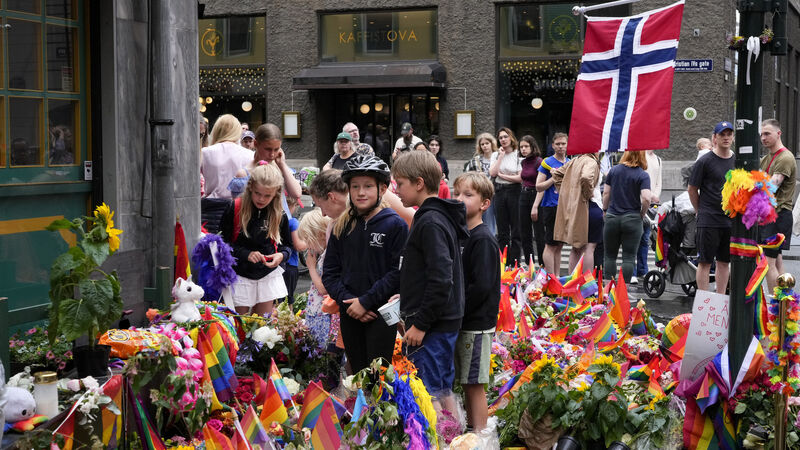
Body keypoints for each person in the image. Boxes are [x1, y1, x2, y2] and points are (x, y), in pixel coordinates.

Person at [392, 150, 468, 417]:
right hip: (440, 320)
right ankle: (455, 436)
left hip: (432, 325)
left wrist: (421, 324)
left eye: (400, 183)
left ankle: (438, 437)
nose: (396, 190)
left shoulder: (431, 221)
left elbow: (441, 278)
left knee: (428, 393)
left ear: (419, 183)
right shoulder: (435, 216)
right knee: (442, 390)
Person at [322, 155, 408, 374]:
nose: (361, 192)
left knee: (378, 376)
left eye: (368, 186)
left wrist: (366, 302)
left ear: (383, 189)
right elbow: (330, 273)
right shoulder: (342, 225)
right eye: (355, 186)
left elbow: (397, 273)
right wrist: (351, 304)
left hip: (380, 314)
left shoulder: (395, 225)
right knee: (357, 374)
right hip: (350, 312)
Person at [452, 172, 500, 432]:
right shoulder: (461, 234)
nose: (460, 199)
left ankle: (480, 435)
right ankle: (471, 429)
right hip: (462, 320)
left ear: (484, 204)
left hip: (476, 323)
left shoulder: (482, 238)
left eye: (468, 195)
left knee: (474, 383)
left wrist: (457, 310)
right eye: (457, 193)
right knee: (466, 381)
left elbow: (481, 286)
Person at [220, 162, 290, 316]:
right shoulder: (235, 207)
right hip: (239, 274)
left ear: (276, 194)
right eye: (258, 193)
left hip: (267, 274)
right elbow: (222, 244)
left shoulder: (280, 213)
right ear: (250, 187)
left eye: (267, 196)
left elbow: (287, 246)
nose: (261, 199)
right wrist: (246, 254)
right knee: (238, 322)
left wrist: (281, 255)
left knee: (262, 324)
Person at [688, 121, 736, 294]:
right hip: (709, 219)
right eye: (722, 134)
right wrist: (700, 210)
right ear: (714, 138)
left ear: (733, 137)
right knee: (705, 262)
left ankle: (720, 298)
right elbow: (692, 188)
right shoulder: (705, 161)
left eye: (729, 134)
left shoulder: (737, 160)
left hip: (730, 220)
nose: (726, 137)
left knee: (724, 262)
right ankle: (704, 301)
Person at [602, 151, 651, 283]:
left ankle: (609, 288)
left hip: (612, 217)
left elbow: (606, 193)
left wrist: (605, 210)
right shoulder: (642, 174)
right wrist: (642, 213)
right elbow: (646, 198)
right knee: (629, 257)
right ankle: (624, 289)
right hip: (633, 219)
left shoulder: (614, 171)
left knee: (610, 256)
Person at [201, 114, 254, 233]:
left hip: (211, 210)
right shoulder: (250, 155)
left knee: (210, 243)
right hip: (239, 210)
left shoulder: (204, 153)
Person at [760, 119, 796, 291]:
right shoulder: (766, 158)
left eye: (767, 134)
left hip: (778, 215)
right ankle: (784, 303)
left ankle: (774, 303)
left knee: (768, 264)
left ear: (778, 133)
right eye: (761, 134)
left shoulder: (785, 157)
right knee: (776, 262)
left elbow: (770, 187)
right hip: (769, 215)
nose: (763, 138)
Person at [552, 151, 602, 272]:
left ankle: (572, 280)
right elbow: (586, 177)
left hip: (576, 208)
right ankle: (586, 280)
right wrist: (587, 193)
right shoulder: (591, 161)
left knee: (576, 247)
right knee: (589, 248)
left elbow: (556, 174)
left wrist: (567, 192)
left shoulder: (574, 161)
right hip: (590, 205)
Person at [297, 208, 334, 350]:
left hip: (323, 312)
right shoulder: (325, 253)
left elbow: (324, 289)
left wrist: (311, 267)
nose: (307, 244)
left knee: (320, 350)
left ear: (320, 235)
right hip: (319, 311)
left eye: (308, 239)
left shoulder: (328, 256)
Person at [534, 132, 568, 275]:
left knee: (559, 245)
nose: (560, 146)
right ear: (553, 145)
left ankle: (557, 276)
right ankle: (549, 276)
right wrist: (553, 178)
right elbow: (538, 186)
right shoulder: (547, 162)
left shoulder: (569, 162)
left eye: (563, 144)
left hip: (565, 206)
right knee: (550, 244)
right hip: (551, 206)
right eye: (558, 144)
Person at [489, 127, 523, 263]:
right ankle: (503, 262)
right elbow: (492, 173)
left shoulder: (518, 154)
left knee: (516, 228)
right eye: (500, 138)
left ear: (511, 138)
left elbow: (520, 178)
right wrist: (501, 157)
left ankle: (515, 262)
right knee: (502, 229)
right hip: (499, 190)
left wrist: (502, 175)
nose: (503, 139)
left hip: (515, 191)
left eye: (505, 136)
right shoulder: (495, 155)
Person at [633, 150, 662, 284]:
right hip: (639, 201)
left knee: (645, 239)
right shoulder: (639, 156)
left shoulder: (658, 159)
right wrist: (649, 195)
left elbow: (658, 182)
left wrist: (655, 196)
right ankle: (632, 272)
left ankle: (642, 270)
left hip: (651, 204)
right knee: (635, 238)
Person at [518, 135, 545, 266]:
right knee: (525, 233)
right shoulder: (523, 162)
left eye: (526, 146)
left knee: (539, 234)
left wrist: (535, 206)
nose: (523, 149)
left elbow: (542, 186)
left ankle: (542, 265)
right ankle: (530, 266)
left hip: (536, 196)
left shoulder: (539, 162)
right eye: (521, 147)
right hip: (523, 195)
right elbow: (523, 179)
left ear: (532, 147)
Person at [467, 133, 498, 234]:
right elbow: (467, 177)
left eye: (487, 143)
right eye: (482, 144)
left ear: (492, 143)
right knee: (485, 220)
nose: (485, 146)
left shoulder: (498, 158)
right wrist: (476, 176)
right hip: (482, 194)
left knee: (499, 221)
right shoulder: (475, 161)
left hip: (498, 192)